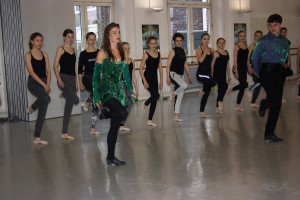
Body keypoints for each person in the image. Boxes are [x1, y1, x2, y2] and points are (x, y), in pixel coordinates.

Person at [93, 23, 136, 166]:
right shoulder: (102, 53)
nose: (118, 35)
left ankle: (110, 157)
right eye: (114, 32)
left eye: (118, 32)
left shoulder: (123, 52)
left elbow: (126, 75)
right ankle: (105, 113)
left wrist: (130, 91)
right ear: (108, 35)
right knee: (121, 112)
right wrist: (96, 96)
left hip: (119, 90)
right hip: (106, 89)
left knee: (115, 125)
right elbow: (95, 77)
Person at [251, 14, 289, 142]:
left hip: (279, 74)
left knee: (277, 105)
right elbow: (254, 58)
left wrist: (285, 66)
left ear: (280, 24)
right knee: (274, 99)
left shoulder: (285, 41)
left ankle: (269, 133)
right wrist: (258, 73)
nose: (273, 28)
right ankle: (264, 103)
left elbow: (283, 57)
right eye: (271, 25)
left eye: (276, 25)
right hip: (266, 73)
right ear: (268, 25)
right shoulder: (264, 40)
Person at [25, 32, 51, 145]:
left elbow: (48, 71)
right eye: (37, 40)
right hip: (33, 82)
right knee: (46, 98)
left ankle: (37, 137)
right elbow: (31, 72)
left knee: (43, 110)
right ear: (32, 41)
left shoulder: (44, 54)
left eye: (41, 40)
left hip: (44, 82)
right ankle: (32, 107)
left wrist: (48, 84)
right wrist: (44, 85)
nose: (40, 42)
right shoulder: (28, 55)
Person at [53, 29, 79, 140]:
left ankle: (64, 133)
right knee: (76, 100)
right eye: (68, 37)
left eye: (72, 37)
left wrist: (77, 81)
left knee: (68, 108)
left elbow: (74, 67)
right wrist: (59, 79)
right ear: (64, 37)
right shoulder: (61, 49)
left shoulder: (74, 49)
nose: (70, 39)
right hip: (63, 78)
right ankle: (63, 92)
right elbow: (55, 66)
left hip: (72, 79)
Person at [166, 33, 192, 121]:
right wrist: (167, 77)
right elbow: (168, 64)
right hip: (173, 73)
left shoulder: (183, 51)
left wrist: (189, 75)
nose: (179, 42)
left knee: (180, 96)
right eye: (177, 41)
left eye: (180, 41)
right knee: (184, 86)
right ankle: (173, 93)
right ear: (174, 42)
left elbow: (185, 64)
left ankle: (176, 116)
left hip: (181, 75)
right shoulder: (173, 51)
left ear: (182, 41)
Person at [78, 32, 100, 135]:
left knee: (96, 100)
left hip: (97, 79)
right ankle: (92, 127)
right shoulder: (83, 54)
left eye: (94, 39)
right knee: (96, 95)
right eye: (90, 39)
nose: (92, 41)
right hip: (87, 78)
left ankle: (93, 127)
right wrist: (80, 82)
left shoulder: (99, 52)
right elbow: (79, 70)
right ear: (87, 40)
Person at [139, 36, 163, 126]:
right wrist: (144, 82)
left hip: (155, 78)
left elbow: (160, 68)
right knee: (156, 95)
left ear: (156, 44)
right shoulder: (146, 54)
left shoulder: (159, 54)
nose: (153, 45)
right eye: (151, 43)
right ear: (148, 44)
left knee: (155, 98)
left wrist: (161, 81)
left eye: (155, 43)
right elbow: (141, 69)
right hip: (147, 77)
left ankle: (149, 120)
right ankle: (145, 103)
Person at [119, 42, 139, 131]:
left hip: (129, 84)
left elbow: (133, 75)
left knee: (130, 104)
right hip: (121, 84)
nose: (127, 50)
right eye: (125, 48)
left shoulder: (132, 60)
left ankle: (121, 124)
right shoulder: (119, 60)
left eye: (128, 48)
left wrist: (137, 89)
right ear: (121, 49)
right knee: (125, 102)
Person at [195, 33, 216, 118]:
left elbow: (212, 64)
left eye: (207, 39)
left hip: (208, 74)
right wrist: (205, 51)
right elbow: (200, 60)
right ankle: (203, 89)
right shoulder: (198, 50)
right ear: (201, 40)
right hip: (200, 74)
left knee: (207, 92)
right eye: (204, 39)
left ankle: (201, 111)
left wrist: (212, 74)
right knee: (208, 86)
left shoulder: (212, 50)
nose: (206, 40)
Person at [211, 37, 231, 114]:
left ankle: (217, 107)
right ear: (217, 44)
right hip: (217, 73)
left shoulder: (226, 52)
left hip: (223, 74)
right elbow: (212, 64)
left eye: (223, 42)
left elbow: (227, 65)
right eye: (220, 43)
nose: (222, 44)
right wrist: (212, 74)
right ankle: (220, 102)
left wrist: (229, 75)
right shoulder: (216, 53)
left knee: (220, 89)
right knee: (225, 86)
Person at [247, 30, 263, 108]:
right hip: (252, 67)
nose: (258, 37)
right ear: (254, 37)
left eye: (260, 36)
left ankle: (253, 102)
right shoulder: (252, 45)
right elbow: (248, 57)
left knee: (259, 85)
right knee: (259, 82)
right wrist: (249, 67)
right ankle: (250, 90)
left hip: (260, 68)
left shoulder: (262, 45)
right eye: (257, 35)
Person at [280, 27, 293, 103]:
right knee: (279, 82)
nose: (284, 33)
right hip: (280, 64)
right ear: (280, 32)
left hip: (285, 63)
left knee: (282, 82)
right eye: (282, 32)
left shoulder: (287, 41)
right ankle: (277, 97)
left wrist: (289, 61)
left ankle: (280, 97)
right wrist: (282, 62)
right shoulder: (278, 41)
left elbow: (288, 52)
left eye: (285, 32)